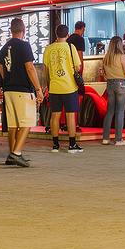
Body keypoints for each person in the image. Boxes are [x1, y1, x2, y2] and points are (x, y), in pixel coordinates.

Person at [0, 17, 42, 167]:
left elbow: (1, 70)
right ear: (24, 30)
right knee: (27, 122)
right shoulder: (24, 45)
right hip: (22, 89)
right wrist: (38, 89)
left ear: (11, 30)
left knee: (12, 124)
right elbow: (30, 68)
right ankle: (16, 153)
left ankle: (12, 153)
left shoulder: (3, 48)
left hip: (8, 89)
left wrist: (8, 81)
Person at [43, 24, 83, 153]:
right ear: (67, 35)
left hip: (54, 88)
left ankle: (55, 145)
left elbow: (46, 71)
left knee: (55, 114)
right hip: (69, 87)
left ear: (56, 34)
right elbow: (78, 67)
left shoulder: (48, 49)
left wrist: (48, 86)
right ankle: (72, 145)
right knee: (70, 115)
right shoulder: (71, 47)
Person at [101, 35, 125, 146]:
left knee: (110, 111)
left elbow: (104, 74)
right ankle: (118, 139)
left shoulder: (106, 58)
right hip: (121, 84)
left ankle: (105, 138)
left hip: (110, 84)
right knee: (120, 112)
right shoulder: (122, 57)